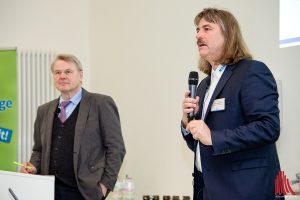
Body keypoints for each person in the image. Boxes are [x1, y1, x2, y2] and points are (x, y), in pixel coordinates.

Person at [181, 8, 280, 200]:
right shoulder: (203, 85)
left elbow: (269, 127)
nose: (198, 35)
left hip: (245, 192)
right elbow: (201, 146)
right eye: (197, 30)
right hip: (209, 192)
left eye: (207, 28)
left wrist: (213, 137)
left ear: (228, 34)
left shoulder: (252, 71)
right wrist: (187, 124)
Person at [20, 54, 126, 200]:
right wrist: (32, 166)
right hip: (48, 192)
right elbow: (39, 150)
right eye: (57, 72)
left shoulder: (100, 103)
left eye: (68, 72)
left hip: (85, 193)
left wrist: (103, 186)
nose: (62, 76)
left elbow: (116, 148)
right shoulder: (43, 110)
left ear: (81, 75)